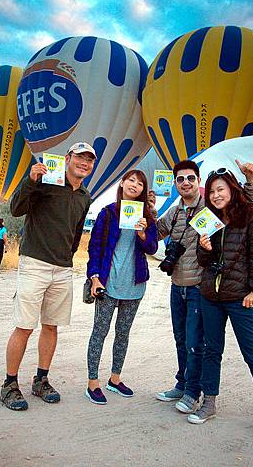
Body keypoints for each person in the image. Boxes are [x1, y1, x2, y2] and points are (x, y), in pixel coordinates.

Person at [153, 159, 253, 415]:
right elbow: (156, 231)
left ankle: (193, 391)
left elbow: (249, 206)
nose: (185, 183)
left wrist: (249, 181)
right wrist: (142, 212)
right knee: (181, 340)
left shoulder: (210, 208)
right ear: (175, 183)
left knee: (195, 343)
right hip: (177, 284)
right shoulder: (176, 210)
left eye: (190, 178)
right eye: (180, 179)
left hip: (199, 287)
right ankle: (182, 384)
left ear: (199, 181)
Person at [0, 142, 96, 411]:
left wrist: (68, 256)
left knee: (51, 326)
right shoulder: (44, 181)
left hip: (63, 268)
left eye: (89, 159)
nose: (84, 163)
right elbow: (16, 209)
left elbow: (76, 233)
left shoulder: (85, 197)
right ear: (67, 158)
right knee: (25, 326)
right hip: (35, 264)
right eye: (80, 157)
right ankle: (9, 384)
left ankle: (41, 380)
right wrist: (30, 180)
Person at [187, 168, 253, 440]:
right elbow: (204, 262)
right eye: (212, 191)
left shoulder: (250, 217)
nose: (216, 195)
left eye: (221, 190)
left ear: (231, 190)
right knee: (211, 351)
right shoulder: (208, 219)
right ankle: (209, 402)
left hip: (242, 299)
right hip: (211, 297)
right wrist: (204, 249)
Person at [85, 170, 158, 405]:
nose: (135, 185)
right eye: (131, 180)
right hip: (108, 284)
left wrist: (143, 233)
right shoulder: (107, 213)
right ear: (123, 183)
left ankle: (114, 379)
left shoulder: (147, 216)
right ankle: (92, 383)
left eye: (140, 183)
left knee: (123, 334)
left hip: (134, 285)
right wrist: (95, 277)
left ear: (143, 190)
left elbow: (152, 248)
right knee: (100, 331)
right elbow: (94, 247)